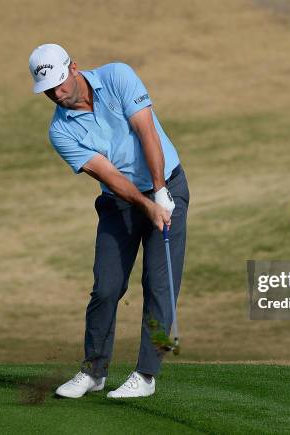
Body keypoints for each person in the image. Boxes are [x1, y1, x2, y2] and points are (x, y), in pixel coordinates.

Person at [28, 43, 189, 398]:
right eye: (48, 90)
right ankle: (93, 371)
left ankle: (146, 375)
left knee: (159, 285)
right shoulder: (61, 132)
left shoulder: (117, 77)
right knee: (106, 288)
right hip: (120, 203)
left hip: (168, 185)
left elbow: (147, 132)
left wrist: (160, 193)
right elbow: (110, 176)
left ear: (74, 68)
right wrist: (145, 205)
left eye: (59, 83)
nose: (56, 93)